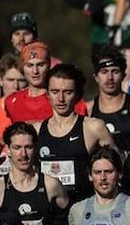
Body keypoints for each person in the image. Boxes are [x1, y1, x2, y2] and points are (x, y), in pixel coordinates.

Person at [39, 64, 114, 202]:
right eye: (55, 92)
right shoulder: (37, 130)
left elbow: (117, 166)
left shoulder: (94, 127)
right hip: (48, 215)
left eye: (67, 92)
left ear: (77, 94)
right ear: (47, 94)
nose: (61, 99)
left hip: (84, 211)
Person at [87, 47, 130, 157]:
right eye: (104, 72)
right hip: (102, 173)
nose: (110, 77)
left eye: (115, 71)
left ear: (123, 76)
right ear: (96, 77)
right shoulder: (88, 109)